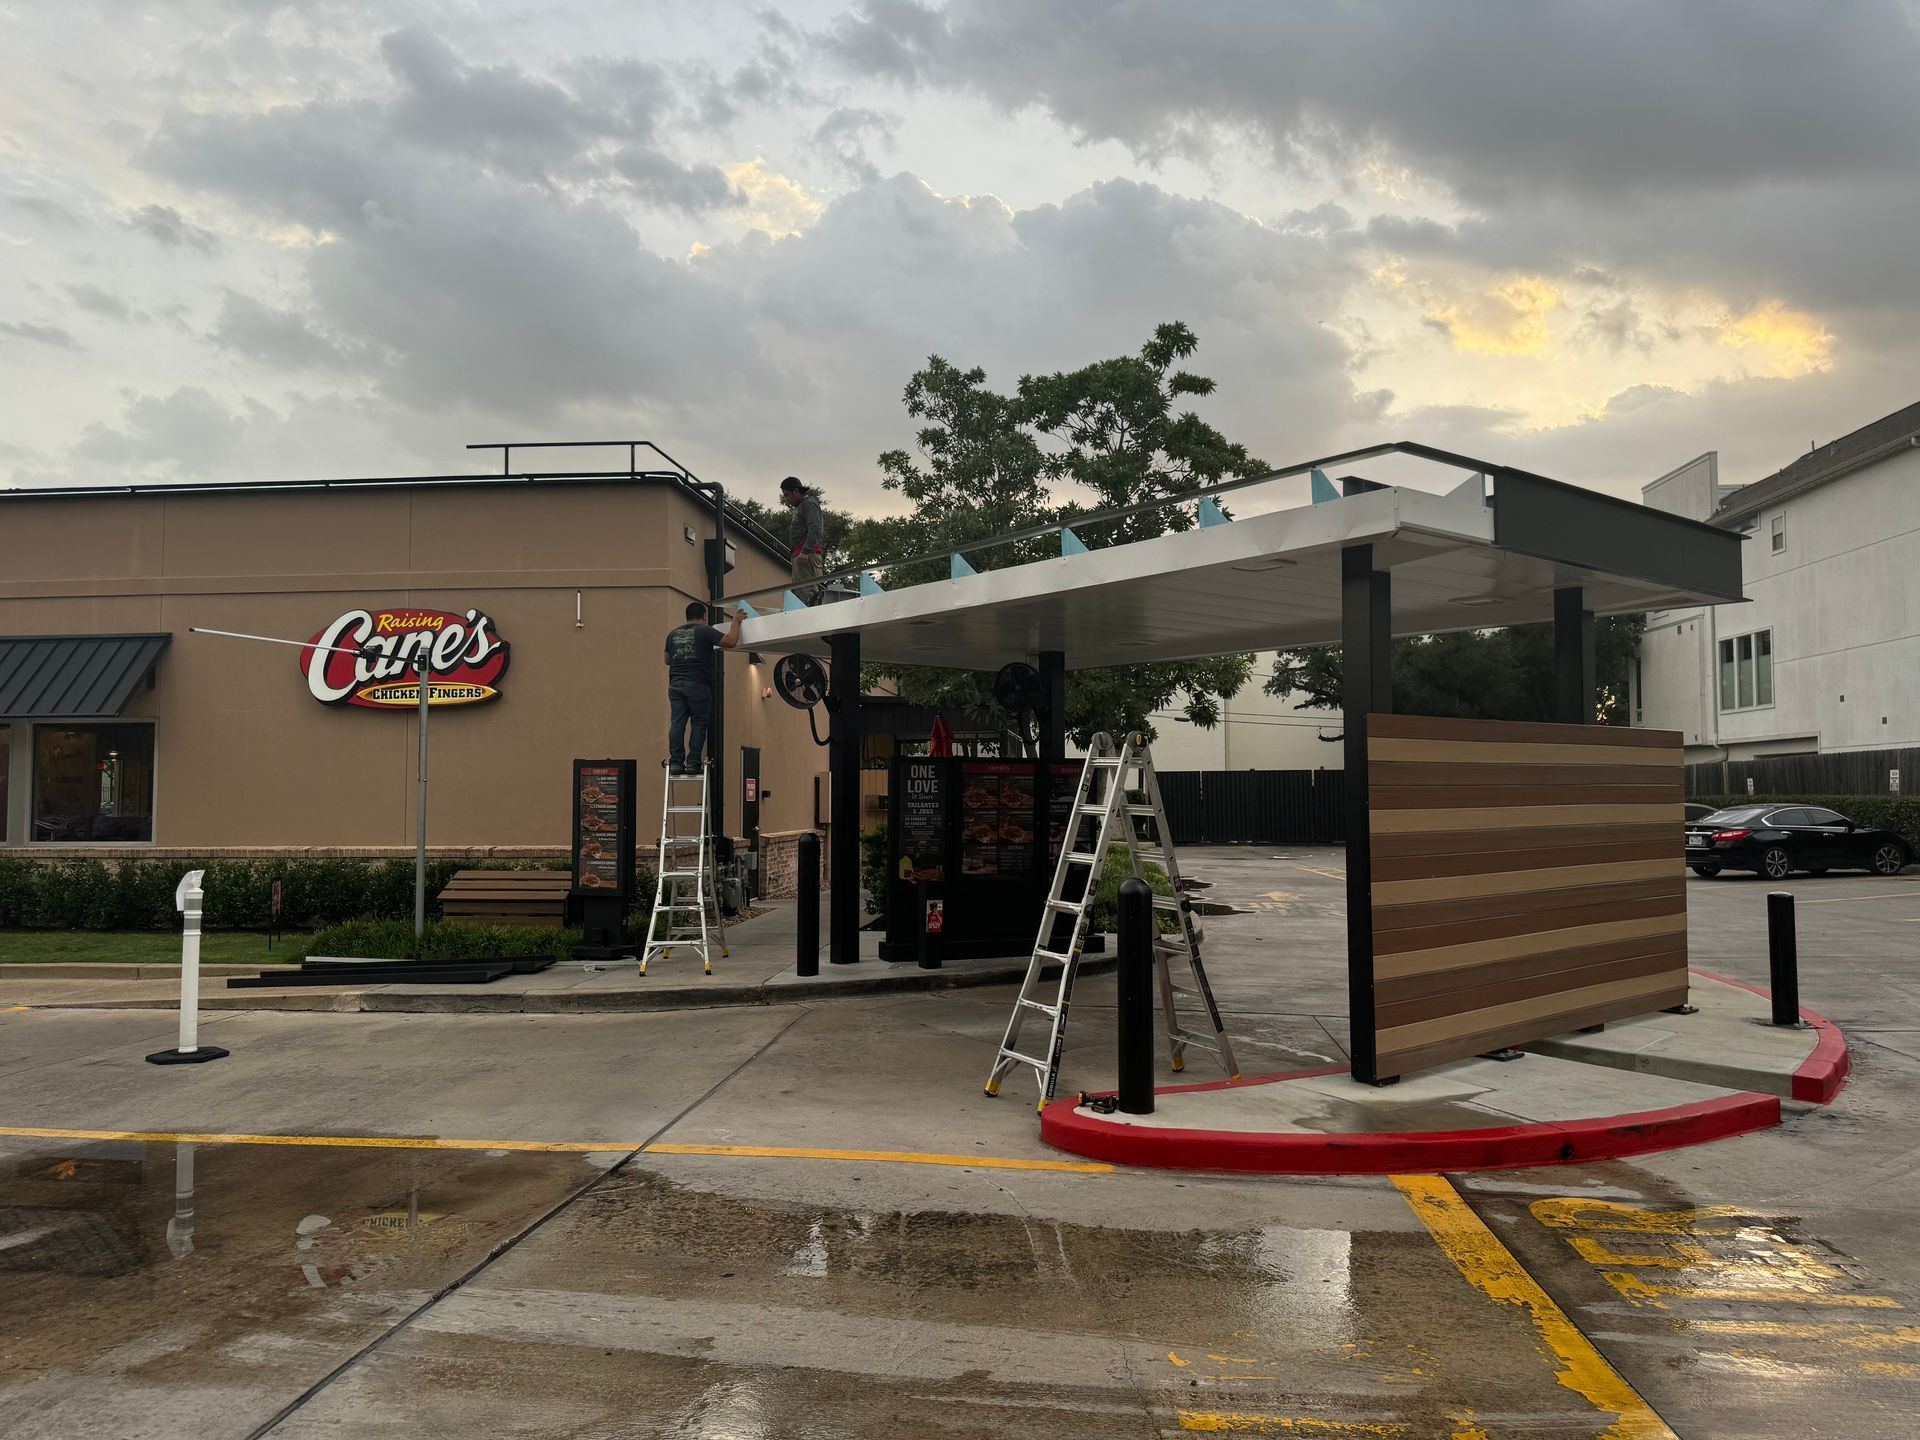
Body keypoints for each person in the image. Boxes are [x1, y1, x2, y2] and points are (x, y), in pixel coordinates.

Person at [664, 601, 742, 775]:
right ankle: (693, 763)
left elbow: (667, 660)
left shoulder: (672, 634)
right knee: (699, 723)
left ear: (687, 616)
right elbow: (731, 641)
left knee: (677, 723)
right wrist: (735, 622)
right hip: (697, 684)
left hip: (675, 685)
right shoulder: (704, 631)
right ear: (704, 616)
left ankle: (676, 762)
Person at [779, 475, 826, 604]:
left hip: (806, 554)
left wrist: (805, 552)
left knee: (810, 593)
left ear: (795, 491)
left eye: (787, 495)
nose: (786, 499)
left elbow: (815, 529)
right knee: (800, 594)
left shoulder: (809, 504)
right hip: (799, 554)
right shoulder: (802, 506)